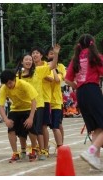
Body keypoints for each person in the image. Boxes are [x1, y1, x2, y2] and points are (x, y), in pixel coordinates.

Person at [15, 44, 60, 160]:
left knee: (40, 127)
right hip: (25, 105)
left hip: (40, 103)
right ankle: (29, 150)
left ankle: (43, 150)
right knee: (26, 129)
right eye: (27, 59)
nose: (30, 60)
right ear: (22, 62)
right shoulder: (18, 75)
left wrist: (55, 54)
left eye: (31, 59)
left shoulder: (39, 70)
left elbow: (53, 66)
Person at [65, 33, 103, 170]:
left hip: (81, 93)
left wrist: (78, 86)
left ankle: (95, 162)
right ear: (93, 43)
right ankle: (91, 151)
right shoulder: (96, 57)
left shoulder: (75, 60)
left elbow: (67, 79)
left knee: (96, 127)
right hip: (93, 90)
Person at [0, 70, 38, 163]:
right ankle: (15, 153)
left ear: (14, 79)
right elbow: (1, 105)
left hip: (28, 108)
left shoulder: (24, 84)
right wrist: (6, 120)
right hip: (15, 109)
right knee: (11, 129)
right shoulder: (4, 88)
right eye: (6, 84)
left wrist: (31, 117)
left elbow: (34, 101)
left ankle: (34, 150)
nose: (9, 85)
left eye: (10, 83)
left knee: (30, 127)